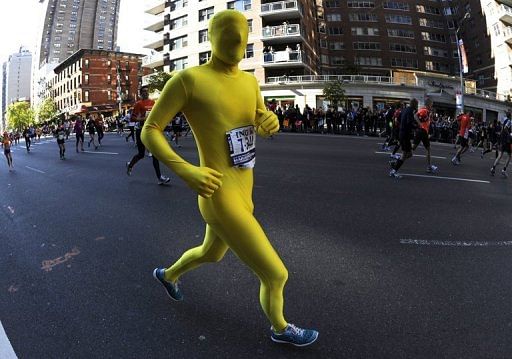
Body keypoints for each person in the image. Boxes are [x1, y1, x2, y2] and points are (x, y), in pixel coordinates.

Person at [142, 10, 318, 347]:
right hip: (217, 193)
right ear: (211, 37)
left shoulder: (251, 82)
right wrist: (186, 170)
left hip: (244, 189)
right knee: (275, 273)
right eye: (226, 30)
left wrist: (271, 122)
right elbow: (150, 130)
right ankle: (280, 327)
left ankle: (168, 274)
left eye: (241, 30)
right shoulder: (188, 80)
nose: (237, 38)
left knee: (212, 253)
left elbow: (259, 116)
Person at [126, 86, 170, 185]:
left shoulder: (152, 103)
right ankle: (130, 165)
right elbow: (132, 119)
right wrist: (142, 119)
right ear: (141, 94)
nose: (146, 93)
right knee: (141, 154)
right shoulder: (138, 104)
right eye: (144, 92)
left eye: (147, 91)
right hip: (141, 130)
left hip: (150, 130)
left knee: (155, 155)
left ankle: (160, 178)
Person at [389, 98, 418, 178]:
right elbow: (409, 123)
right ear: (414, 104)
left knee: (409, 154)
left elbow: (398, 120)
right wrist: (417, 127)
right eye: (417, 104)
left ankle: (395, 163)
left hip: (402, 134)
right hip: (405, 135)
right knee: (405, 154)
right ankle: (394, 170)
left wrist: (401, 127)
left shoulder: (405, 110)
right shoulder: (410, 111)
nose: (417, 106)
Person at [411, 98, 438, 173]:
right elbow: (415, 116)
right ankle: (429, 167)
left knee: (414, 149)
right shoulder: (424, 110)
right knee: (412, 150)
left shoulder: (427, 111)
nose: (432, 106)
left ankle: (429, 167)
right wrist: (421, 125)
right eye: (431, 104)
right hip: (422, 131)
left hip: (423, 132)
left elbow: (426, 120)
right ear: (428, 104)